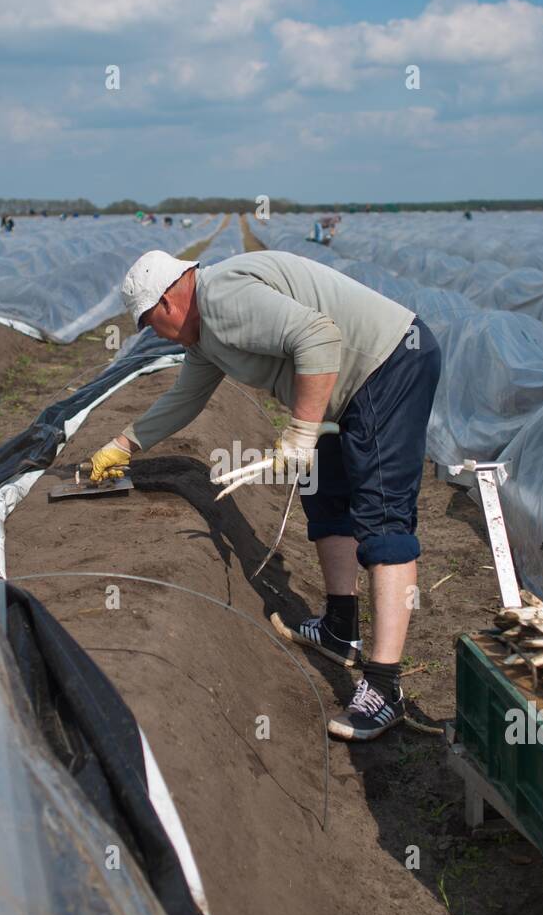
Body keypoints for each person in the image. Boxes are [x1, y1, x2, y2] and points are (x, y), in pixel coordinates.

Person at [89, 250, 442, 741]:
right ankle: (341, 628)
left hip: (389, 365)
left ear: (169, 301)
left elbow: (318, 335)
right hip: (342, 384)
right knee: (324, 495)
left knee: (383, 521)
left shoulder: (225, 296)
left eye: (151, 323)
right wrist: (121, 445)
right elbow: (185, 398)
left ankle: (385, 687)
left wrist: (299, 434)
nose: (155, 334)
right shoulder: (206, 337)